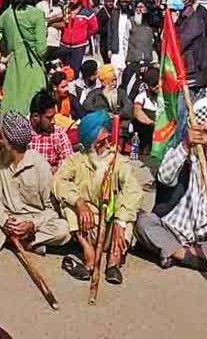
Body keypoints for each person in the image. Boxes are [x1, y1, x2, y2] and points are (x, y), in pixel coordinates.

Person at [0, 112, 70, 254]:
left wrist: (32, 225)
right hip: (6, 219)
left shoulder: (40, 164)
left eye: (3, 136)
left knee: (63, 229)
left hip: (32, 220)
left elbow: (52, 209)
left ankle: (10, 240)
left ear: (11, 143)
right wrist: (3, 220)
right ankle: (25, 243)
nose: (0, 138)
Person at [53, 111, 143, 284]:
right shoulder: (75, 160)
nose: (106, 145)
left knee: (129, 212)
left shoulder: (118, 162)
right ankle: (88, 252)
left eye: (107, 140)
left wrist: (120, 220)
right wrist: (79, 203)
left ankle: (113, 263)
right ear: (89, 143)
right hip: (87, 226)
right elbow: (59, 181)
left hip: (113, 229)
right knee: (68, 205)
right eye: (100, 142)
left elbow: (134, 190)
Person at [135, 117, 207, 272]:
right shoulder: (182, 155)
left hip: (205, 239)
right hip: (172, 230)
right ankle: (193, 259)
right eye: (205, 132)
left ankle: (176, 254)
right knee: (142, 222)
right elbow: (164, 177)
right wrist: (186, 145)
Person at [175, 0, 207, 91]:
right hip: (181, 73)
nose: (176, 0)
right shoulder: (180, 20)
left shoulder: (194, 21)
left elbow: (177, 45)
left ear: (189, 0)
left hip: (191, 76)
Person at [83, 65, 133, 141]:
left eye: (115, 80)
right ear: (103, 82)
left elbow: (128, 107)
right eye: (112, 81)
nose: (114, 83)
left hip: (117, 123)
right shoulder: (95, 93)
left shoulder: (121, 93)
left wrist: (117, 115)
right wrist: (103, 113)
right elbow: (86, 105)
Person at [29, 90, 74, 173]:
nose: (54, 121)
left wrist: (55, 170)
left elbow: (69, 163)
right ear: (35, 117)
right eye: (49, 118)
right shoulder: (24, 133)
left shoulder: (58, 133)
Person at [59, 0, 98, 74]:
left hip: (78, 47)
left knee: (75, 71)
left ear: (79, 0)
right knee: (63, 70)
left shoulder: (87, 12)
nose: (71, 1)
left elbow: (94, 28)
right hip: (64, 45)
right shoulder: (66, 10)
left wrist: (84, 36)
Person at [131, 67, 160, 154]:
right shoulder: (142, 97)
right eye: (154, 85)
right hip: (147, 134)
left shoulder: (164, 97)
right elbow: (137, 113)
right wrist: (152, 123)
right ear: (147, 86)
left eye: (158, 83)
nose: (157, 86)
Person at [96, 0, 115, 64]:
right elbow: (97, 29)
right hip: (105, 44)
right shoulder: (101, 13)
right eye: (108, 1)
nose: (110, 3)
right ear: (105, 1)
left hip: (115, 44)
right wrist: (109, 29)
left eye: (112, 1)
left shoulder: (116, 12)